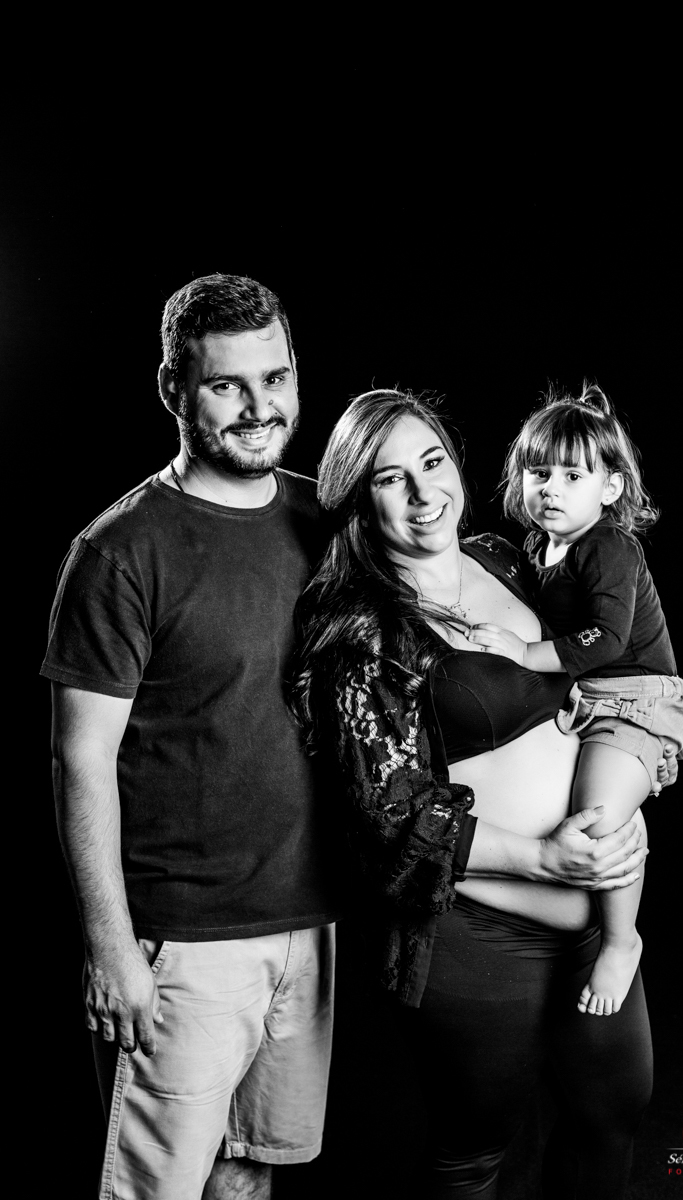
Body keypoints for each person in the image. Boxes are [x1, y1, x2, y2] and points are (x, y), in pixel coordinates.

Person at [292, 389, 683, 1199]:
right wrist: (544, 857)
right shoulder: (363, 630)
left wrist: (631, 744)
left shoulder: (506, 559)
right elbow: (382, 813)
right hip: (476, 934)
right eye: (389, 478)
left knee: (610, 1117)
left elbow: (594, 663)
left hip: (596, 921)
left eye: (432, 461)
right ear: (358, 499)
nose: (423, 492)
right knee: (476, 1151)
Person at [41, 274, 341, 1200]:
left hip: (309, 925)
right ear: (174, 388)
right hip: (181, 944)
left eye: (275, 378)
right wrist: (110, 948)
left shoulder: (326, 521)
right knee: (159, 1190)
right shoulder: (121, 551)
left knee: (249, 1175)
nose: (260, 408)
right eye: (226, 385)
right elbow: (80, 759)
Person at [467, 383, 683, 1016]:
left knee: (598, 817)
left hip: (636, 696)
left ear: (611, 488)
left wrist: (523, 653)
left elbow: (607, 639)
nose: (552, 489)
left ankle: (622, 941)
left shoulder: (610, 546)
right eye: (538, 473)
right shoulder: (538, 549)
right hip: (586, 696)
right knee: (563, 808)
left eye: (573, 476)